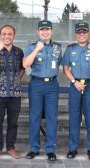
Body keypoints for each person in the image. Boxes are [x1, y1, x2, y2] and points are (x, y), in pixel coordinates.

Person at [62, 22, 90, 161]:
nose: (81, 34)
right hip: (75, 86)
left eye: (84, 32)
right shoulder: (70, 49)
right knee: (74, 118)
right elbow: (66, 68)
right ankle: (72, 148)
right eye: (79, 32)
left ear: (88, 33)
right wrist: (75, 82)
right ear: (76, 34)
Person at [23, 20, 62, 161]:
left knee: (52, 117)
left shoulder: (58, 47)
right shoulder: (32, 46)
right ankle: (34, 148)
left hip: (52, 85)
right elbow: (25, 64)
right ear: (38, 32)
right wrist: (36, 49)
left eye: (47, 29)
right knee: (35, 117)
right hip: (36, 84)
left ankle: (50, 149)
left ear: (52, 31)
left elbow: (57, 65)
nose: (45, 32)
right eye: (42, 30)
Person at [0, 25, 25, 159]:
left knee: (13, 122)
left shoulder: (19, 52)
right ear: (0, 36)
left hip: (15, 94)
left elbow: (22, 68)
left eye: (10, 34)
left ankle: (10, 148)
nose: (7, 36)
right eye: (4, 34)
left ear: (14, 36)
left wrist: (16, 81)